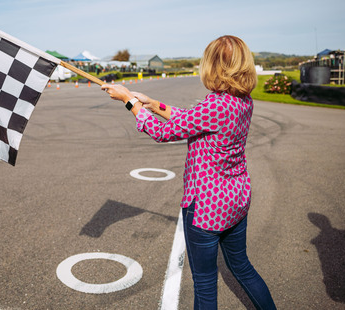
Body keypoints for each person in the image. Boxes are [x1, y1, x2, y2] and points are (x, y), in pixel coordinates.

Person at [101, 35, 276, 309]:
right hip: (236, 199)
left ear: (214, 66)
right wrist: (151, 103)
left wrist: (129, 102)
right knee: (242, 268)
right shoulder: (242, 100)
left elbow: (162, 133)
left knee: (205, 284)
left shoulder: (217, 105)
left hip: (206, 207)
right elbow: (191, 120)